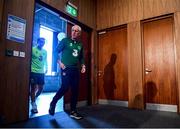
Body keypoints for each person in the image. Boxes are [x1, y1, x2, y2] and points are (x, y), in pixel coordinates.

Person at [49, 25, 86, 120]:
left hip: (75, 69)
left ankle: (73, 111)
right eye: (73, 30)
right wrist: (59, 63)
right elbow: (55, 52)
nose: (74, 32)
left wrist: (83, 65)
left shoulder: (80, 44)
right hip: (66, 68)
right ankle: (53, 103)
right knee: (65, 87)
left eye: (76, 31)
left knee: (75, 90)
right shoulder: (65, 41)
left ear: (79, 33)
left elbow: (81, 57)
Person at [30, 37, 47, 113]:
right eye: (41, 42)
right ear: (37, 42)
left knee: (41, 89)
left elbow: (45, 60)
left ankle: (34, 98)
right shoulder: (33, 49)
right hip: (33, 71)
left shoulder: (45, 51)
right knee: (33, 88)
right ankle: (33, 105)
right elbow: (29, 59)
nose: (42, 43)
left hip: (41, 72)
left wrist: (46, 67)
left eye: (43, 42)